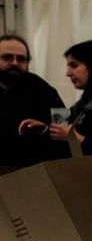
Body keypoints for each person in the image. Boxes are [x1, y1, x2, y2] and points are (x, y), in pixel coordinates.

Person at [16, 39, 92, 156]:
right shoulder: (85, 103)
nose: (68, 73)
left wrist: (73, 137)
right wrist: (47, 129)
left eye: (74, 65)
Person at [0, 32, 68, 168]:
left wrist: (45, 129)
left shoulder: (46, 91)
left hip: (34, 170)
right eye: (7, 57)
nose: (15, 63)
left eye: (21, 59)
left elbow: (66, 132)